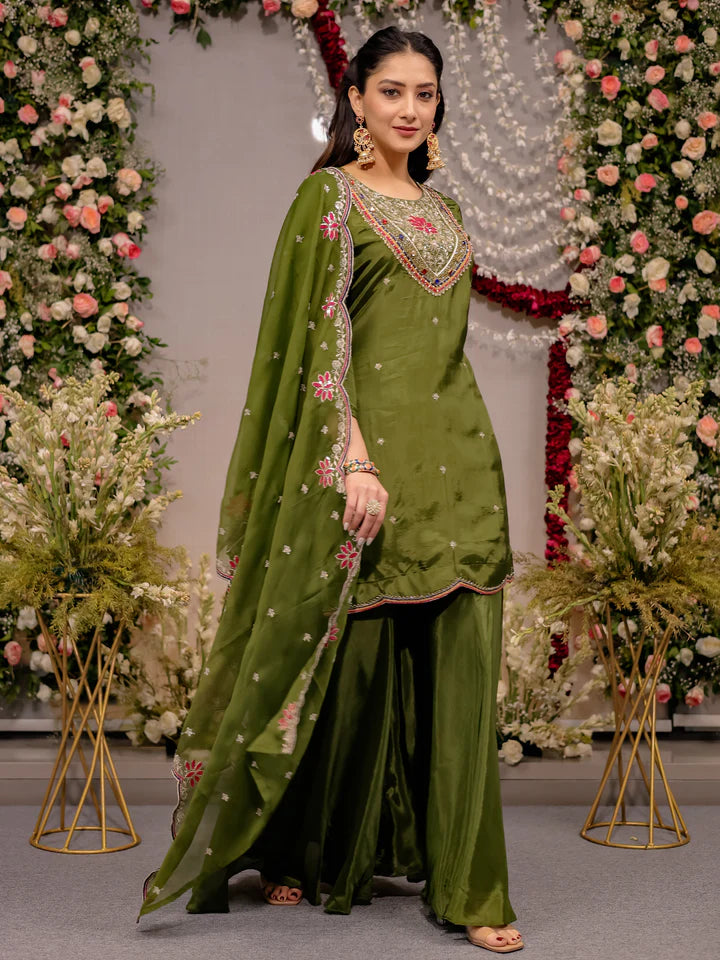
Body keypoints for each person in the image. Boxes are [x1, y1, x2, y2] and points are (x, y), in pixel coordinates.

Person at [137, 25, 523, 954]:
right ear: (356, 99)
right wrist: (349, 456)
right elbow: (321, 342)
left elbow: (443, 348)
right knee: (344, 668)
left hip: (462, 460)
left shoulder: (449, 214)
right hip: (369, 466)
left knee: (465, 677)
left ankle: (473, 887)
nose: (409, 109)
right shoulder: (331, 201)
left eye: (425, 94)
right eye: (392, 91)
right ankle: (309, 846)